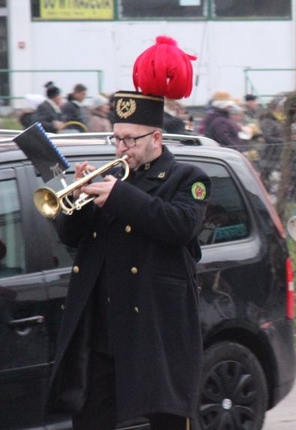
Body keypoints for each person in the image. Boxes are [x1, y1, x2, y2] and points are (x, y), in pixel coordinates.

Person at [46, 36, 210, 430]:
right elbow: (71, 236)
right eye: (116, 138)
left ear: (156, 138)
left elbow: (179, 225)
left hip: (155, 329)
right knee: (90, 420)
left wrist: (118, 195)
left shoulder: (187, 177)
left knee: (167, 421)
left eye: (130, 140)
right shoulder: (111, 179)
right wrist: (81, 197)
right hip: (103, 330)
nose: (121, 148)